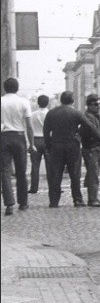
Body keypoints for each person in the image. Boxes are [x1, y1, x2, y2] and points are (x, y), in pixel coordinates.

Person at [43, 91, 100, 208]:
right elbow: (90, 127)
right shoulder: (76, 113)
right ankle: (77, 200)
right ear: (72, 101)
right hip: (72, 146)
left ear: (61, 100)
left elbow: (46, 131)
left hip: (56, 146)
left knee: (55, 174)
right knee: (75, 174)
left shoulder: (51, 113)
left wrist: (48, 146)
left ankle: (54, 201)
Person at [1, 77, 36, 215]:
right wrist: (31, 144)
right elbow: (29, 125)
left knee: (5, 171)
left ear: (4, 88)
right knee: (21, 171)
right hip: (19, 137)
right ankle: (23, 202)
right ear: (17, 88)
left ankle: (9, 204)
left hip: (3, 137)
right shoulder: (23, 102)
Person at [80, 94, 100, 207]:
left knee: (93, 173)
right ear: (89, 105)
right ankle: (92, 199)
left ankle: (94, 196)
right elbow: (93, 131)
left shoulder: (94, 115)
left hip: (94, 148)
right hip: (91, 148)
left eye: (99, 104)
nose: (98, 106)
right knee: (93, 174)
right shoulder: (89, 116)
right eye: (95, 104)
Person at [28, 95, 50, 195]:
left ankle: (34, 188)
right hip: (47, 140)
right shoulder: (50, 113)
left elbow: (29, 128)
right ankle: (53, 186)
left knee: (35, 166)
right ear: (48, 103)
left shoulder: (32, 114)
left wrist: (30, 143)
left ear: (38, 103)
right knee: (50, 165)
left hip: (36, 140)